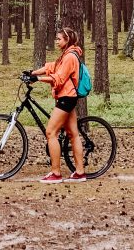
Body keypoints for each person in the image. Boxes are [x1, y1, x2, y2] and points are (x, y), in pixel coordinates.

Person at [29, 26, 87, 183]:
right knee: (73, 134)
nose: (56, 41)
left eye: (59, 39)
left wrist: (38, 79)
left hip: (66, 98)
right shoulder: (66, 55)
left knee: (51, 133)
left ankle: (55, 173)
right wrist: (33, 73)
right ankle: (80, 172)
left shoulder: (70, 57)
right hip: (68, 96)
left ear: (67, 40)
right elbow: (51, 67)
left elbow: (59, 78)